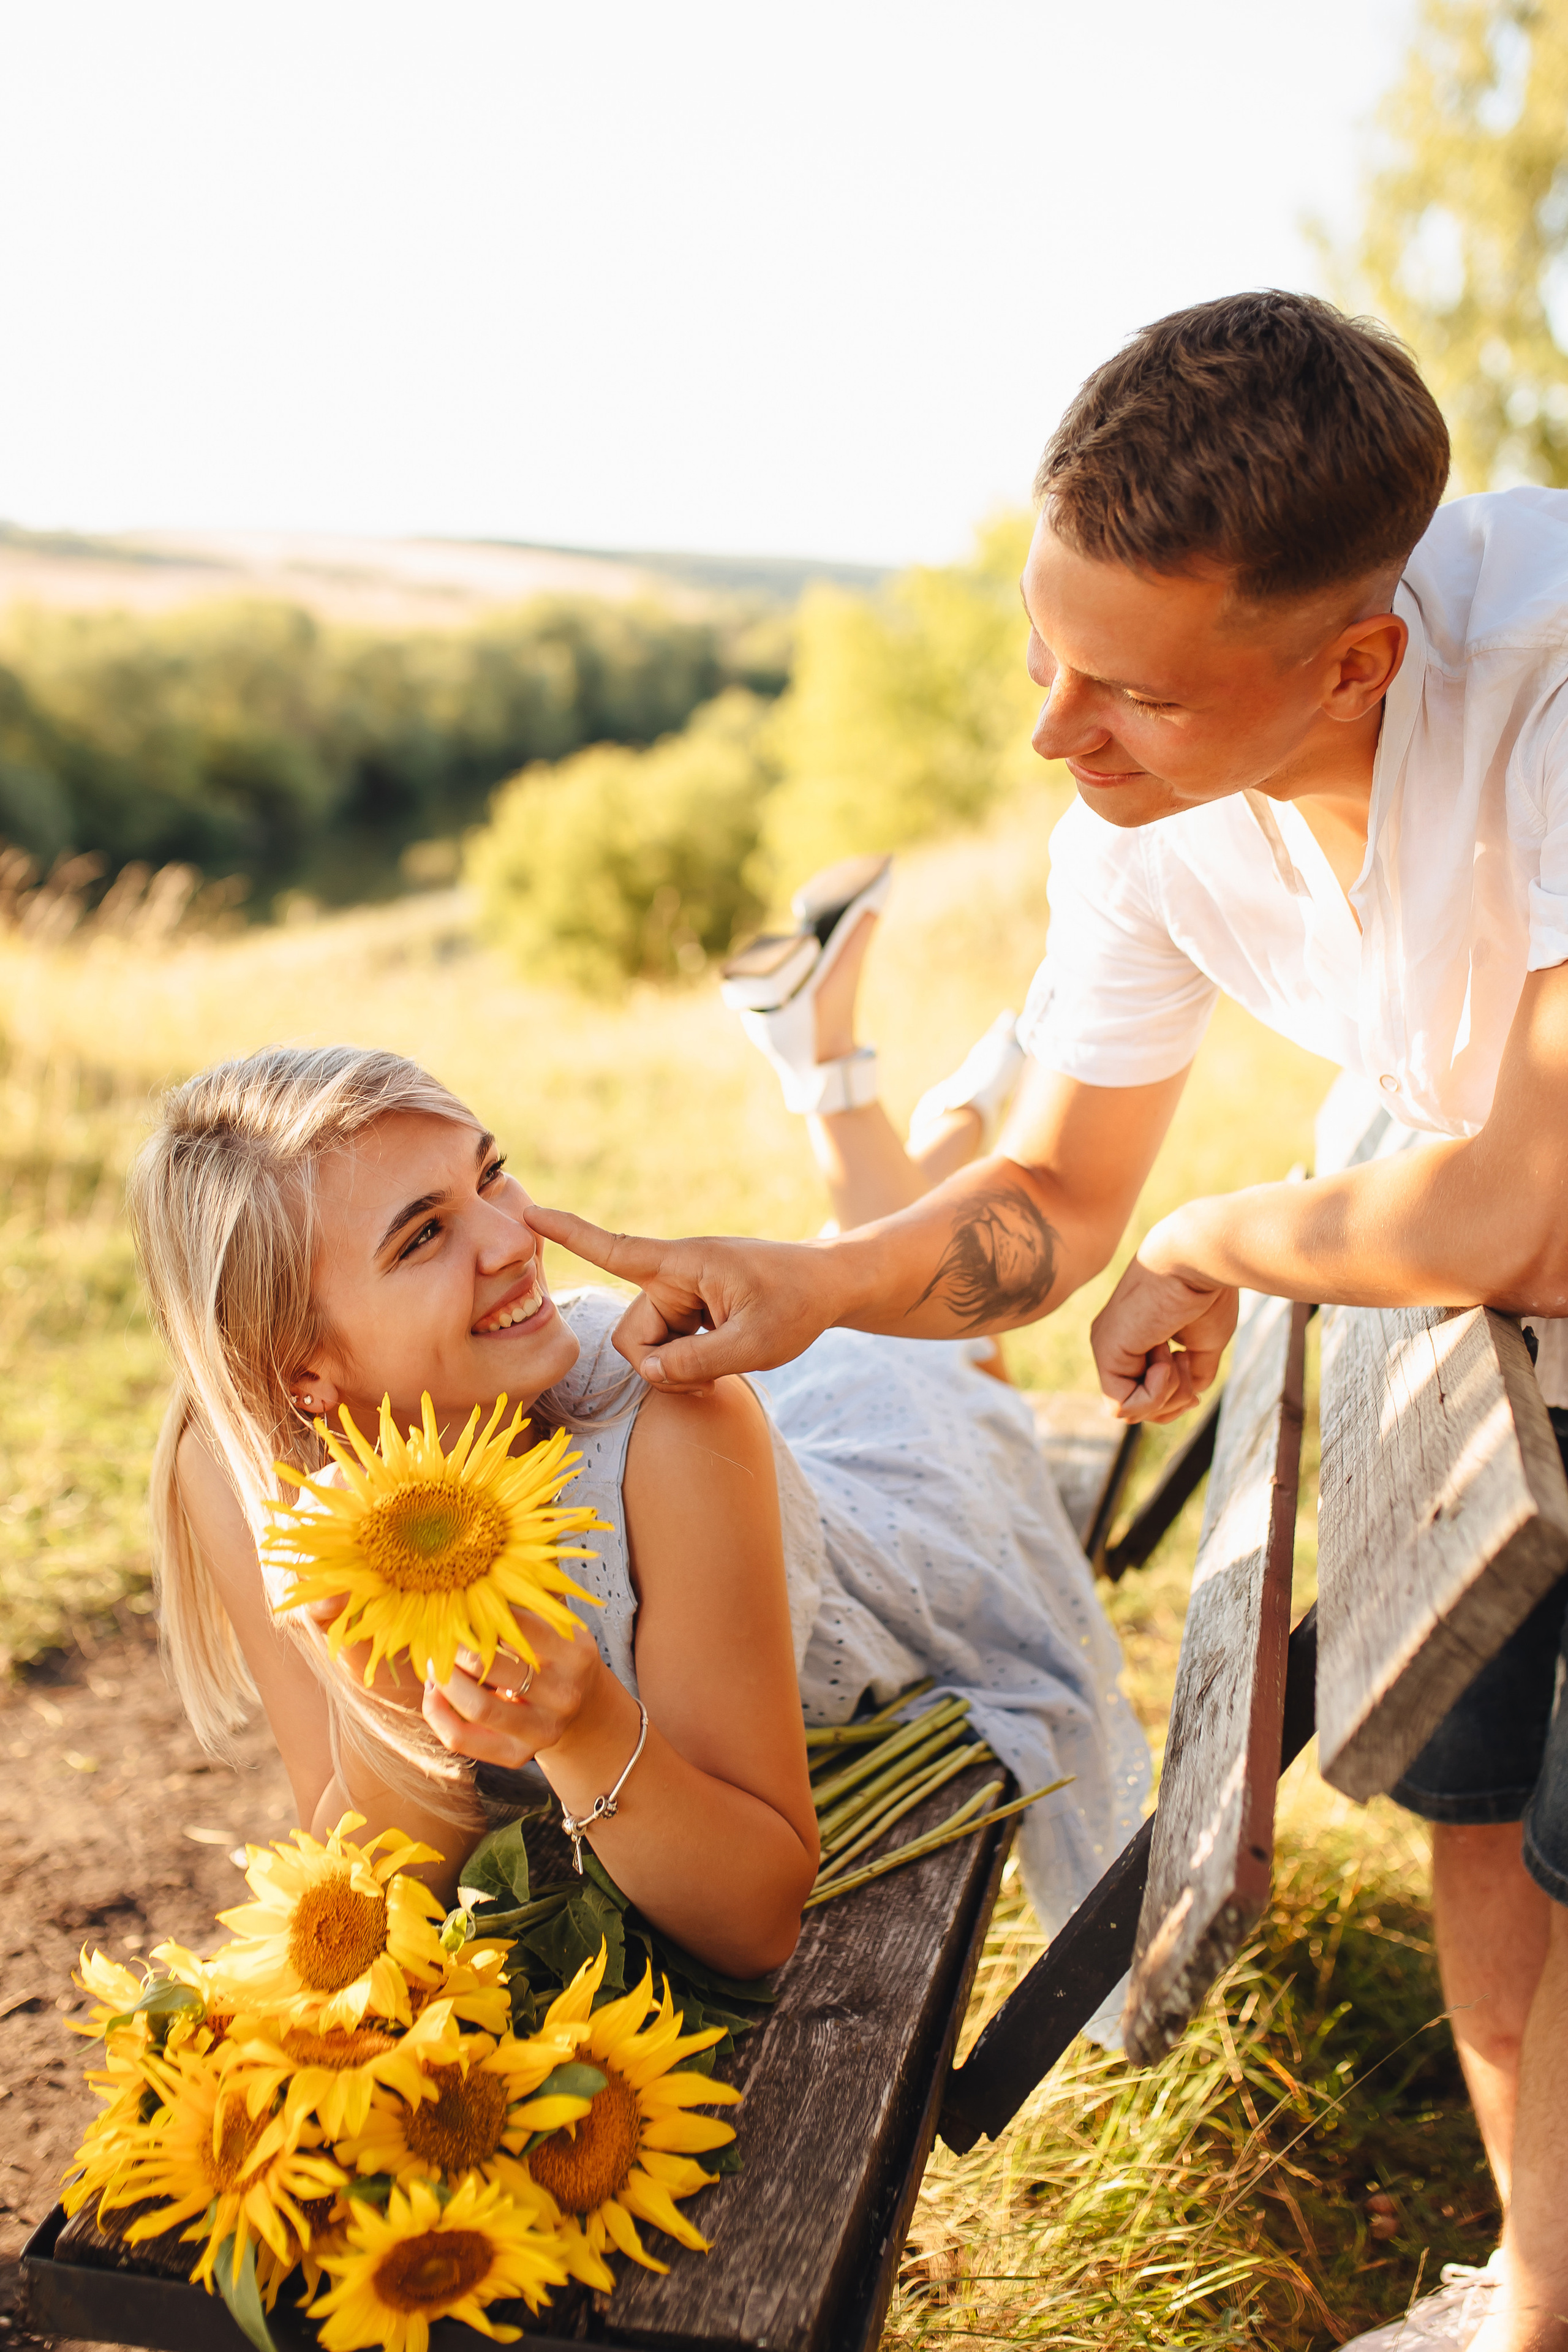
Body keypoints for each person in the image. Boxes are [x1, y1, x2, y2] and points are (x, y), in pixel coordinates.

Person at [527, 292, 1568, 2352]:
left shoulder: (1552, 676)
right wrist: (818, 1278)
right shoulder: (1150, 801)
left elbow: (1524, 1212)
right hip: (1508, 1326)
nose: (1049, 734)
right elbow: (1053, 1203)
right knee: (1482, 1791)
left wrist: (1222, 1226)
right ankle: (1537, 2290)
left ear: (1352, 662)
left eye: (1128, 694)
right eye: (1040, 647)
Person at [127, 1043, 1147, 1993]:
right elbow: (370, 1871)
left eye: (491, 1176)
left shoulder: (668, 1421)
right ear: (302, 1371)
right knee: (923, 1345)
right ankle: (913, 1148)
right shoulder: (239, 1471)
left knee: (955, 1374)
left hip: (888, 1515)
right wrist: (393, 1714)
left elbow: (756, 1922)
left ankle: (874, 1110)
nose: (512, 1237)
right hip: (766, 1453)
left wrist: (583, 1726)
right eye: (425, 1234)